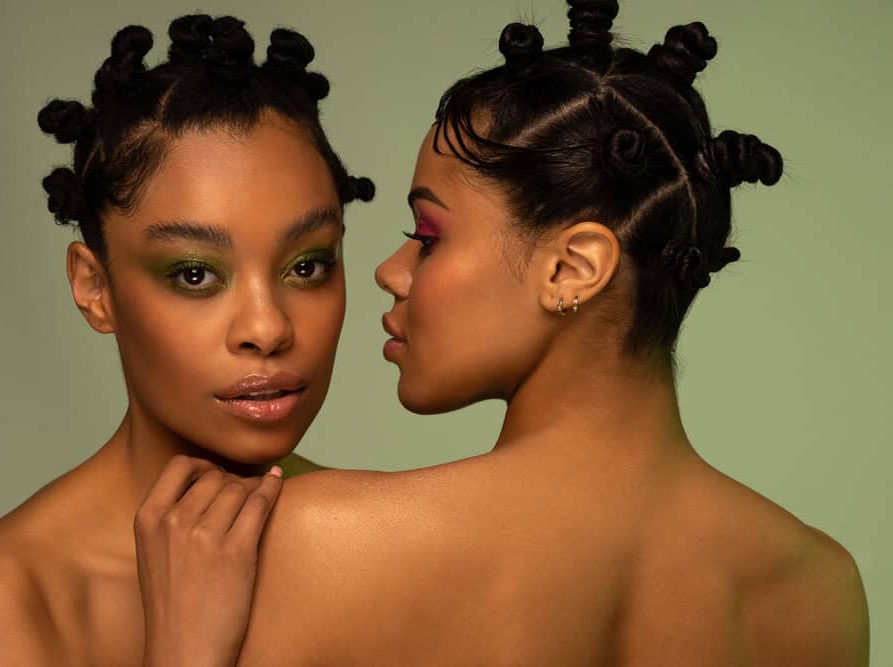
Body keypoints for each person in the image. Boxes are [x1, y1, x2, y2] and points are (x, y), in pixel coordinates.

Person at [136, 2, 870, 665]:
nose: (391, 271)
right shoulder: (819, 587)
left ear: (574, 268)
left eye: (426, 234)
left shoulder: (321, 540)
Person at [0, 14, 373, 666]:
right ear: (95, 287)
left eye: (306, 265)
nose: (267, 329)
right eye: (194, 273)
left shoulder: (382, 538)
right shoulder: (1, 606)